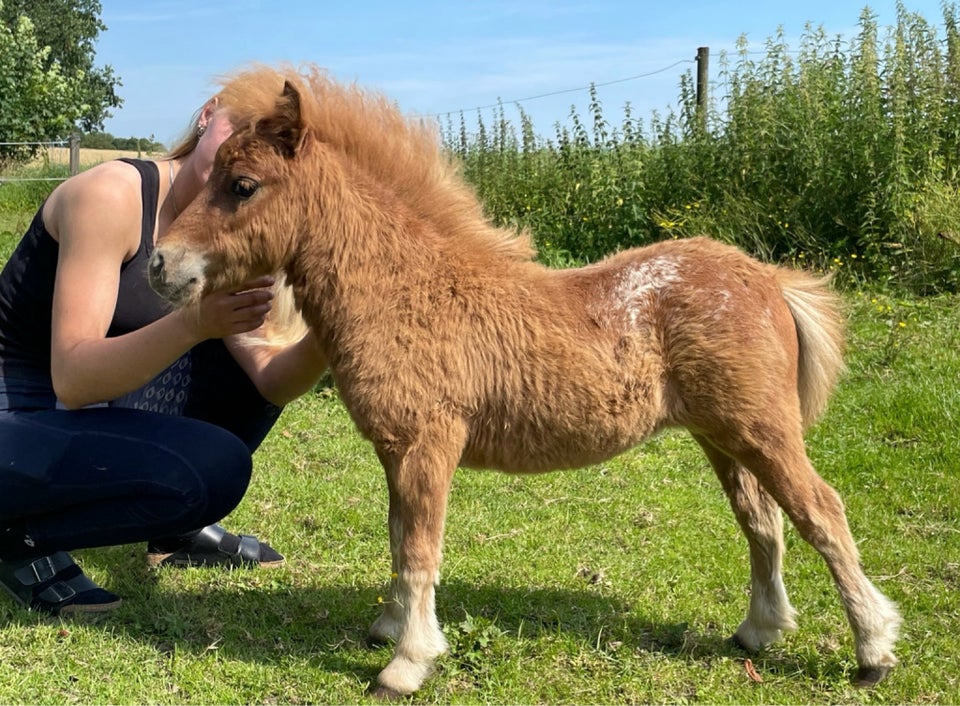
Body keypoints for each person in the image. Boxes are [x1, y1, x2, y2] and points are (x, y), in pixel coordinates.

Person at [0, 66, 327, 615]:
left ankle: (174, 531)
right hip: (17, 411)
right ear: (206, 117)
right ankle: (17, 537)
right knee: (210, 466)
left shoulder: (225, 235)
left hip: (84, 411)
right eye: (239, 128)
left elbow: (270, 379)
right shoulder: (111, 196)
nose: (246, 153)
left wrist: (332, 329)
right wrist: (195, 323)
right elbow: (74, 380)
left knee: (221, 445)